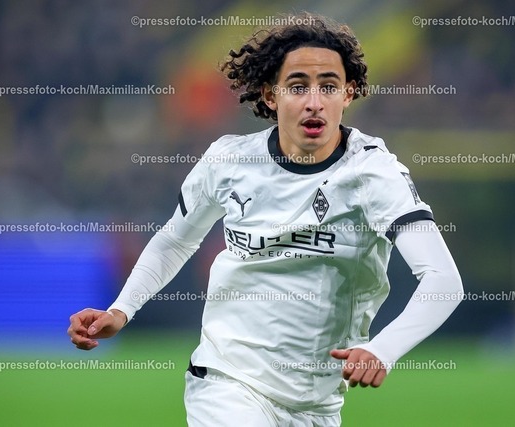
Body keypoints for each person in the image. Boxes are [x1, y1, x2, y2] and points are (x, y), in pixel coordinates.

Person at [68, 12, 463, 426]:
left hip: (317, 406)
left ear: (348, 94)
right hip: (226, 382)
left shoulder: (374, 174)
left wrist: (383, 349)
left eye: (329, 86)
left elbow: (443, 280)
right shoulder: (229, 160)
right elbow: (175, 240)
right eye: (298, 86)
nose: (314, 102)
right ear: (270, 95)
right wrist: (121, 309)